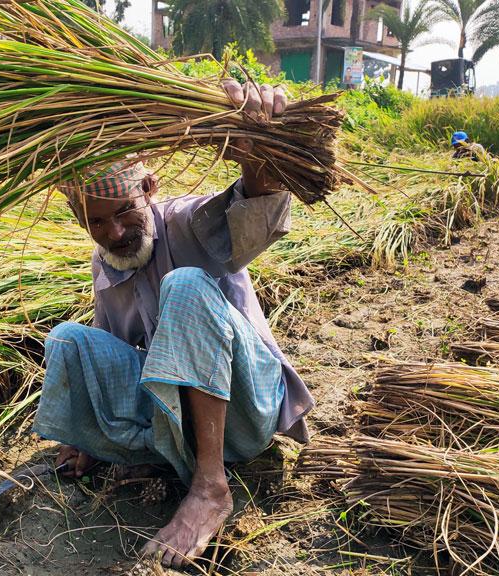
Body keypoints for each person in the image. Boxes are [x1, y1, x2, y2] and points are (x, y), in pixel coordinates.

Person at [32, 80, 315, 568]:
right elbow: (116, 356)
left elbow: (255, 201)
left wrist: (259, 147)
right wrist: (88, 434)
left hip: (245, 409)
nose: (115, 233)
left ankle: (210, 487)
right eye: (97, 223)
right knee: (69, 339)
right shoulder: (106, 265)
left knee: (183, 283)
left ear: (149, 188)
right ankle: (126, 451)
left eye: (124, 212)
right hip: (176, 424)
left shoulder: (187, 222)